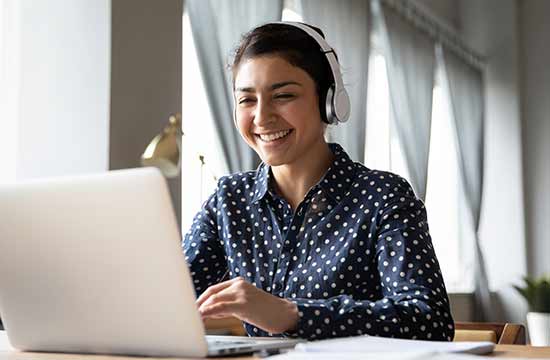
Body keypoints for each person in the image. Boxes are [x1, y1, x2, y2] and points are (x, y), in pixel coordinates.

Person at [182, 22, 454, 341]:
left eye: (283, 95)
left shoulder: (383, 196)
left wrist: (292, 314)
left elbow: (429, 321)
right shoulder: (229, 200)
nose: (261, 117)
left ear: (329, 101)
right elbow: (170, 299)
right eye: (247, 100)